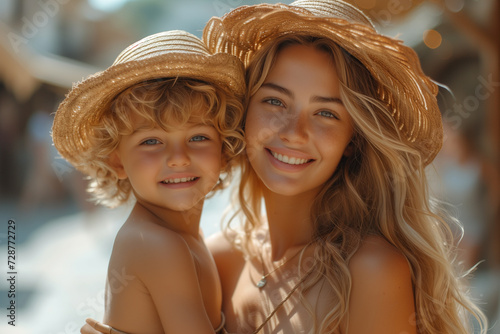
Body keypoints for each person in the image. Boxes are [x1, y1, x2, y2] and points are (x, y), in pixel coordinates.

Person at [83, 1, 488, 333]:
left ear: (353, 140)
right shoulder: (220, 261)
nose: (294, 132)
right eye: (275, 102)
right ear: (241, 115)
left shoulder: (372, 273)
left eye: (326, 113)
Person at [52, 30, 245, 334]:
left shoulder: (180, 237)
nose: (178, 158)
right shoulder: (157, 245)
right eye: (152, 141)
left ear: (224, 149)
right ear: (117, 162)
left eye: (198, 137)